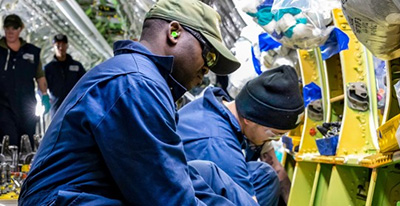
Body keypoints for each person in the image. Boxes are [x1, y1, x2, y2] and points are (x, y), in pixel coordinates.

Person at [18, 0, 259, 205]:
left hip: (81, 195)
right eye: (208, 55)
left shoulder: (143, 78)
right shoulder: (136, 84)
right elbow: (168, 197)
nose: (206, 70)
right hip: (58, 200)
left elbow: (179, 175)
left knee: (205, 173)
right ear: (174, 32)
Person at [176, 65, 305, 206]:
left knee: (263, 175)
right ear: (249, 120)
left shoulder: (221, 108)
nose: (274, 140)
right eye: (274, 135)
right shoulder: (218, 145)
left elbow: (276, 167)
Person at [0, 14, 50, 148]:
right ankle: (8, 167)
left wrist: (45, 95)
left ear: (20, 29)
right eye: (7, 27)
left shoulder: (32, 52)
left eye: (14, 28)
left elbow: (40, 76)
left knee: (27, 140)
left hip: (26, 104)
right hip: (3, 105)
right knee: (9, 138)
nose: (10, 31)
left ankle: (26, 167)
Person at [44, 34, 86, 117]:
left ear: (67, 46)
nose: (61, 48)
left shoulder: (77, 66)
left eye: (63, 45)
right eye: (58, 45)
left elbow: (85, 83)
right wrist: (44, 97)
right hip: (57, 108)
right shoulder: (48, 68)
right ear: (53, 47)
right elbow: (43, 86)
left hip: (75, 107)